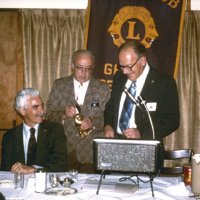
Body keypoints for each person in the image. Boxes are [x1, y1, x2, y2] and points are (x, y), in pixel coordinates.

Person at [46, 49, 110, 173]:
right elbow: (48, 115)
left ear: (93, 69)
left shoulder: (102, 88)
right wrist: (63, 114)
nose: (84, 72)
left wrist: (92, 121)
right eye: (79, 67)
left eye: (88, 68)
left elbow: (108, 119)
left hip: (90, 154)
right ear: (72, 66)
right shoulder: (59, 85)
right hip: (63, 151)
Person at [104, 40, 180, 142]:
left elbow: (172, 120)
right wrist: (108, 125)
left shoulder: (164, 83)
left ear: (142, 61)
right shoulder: (119, 77)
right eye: (121, 66)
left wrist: (141, 132)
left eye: (129, 66)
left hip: (146, 145)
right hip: (117, 141)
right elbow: (111, 105)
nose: (125, 71)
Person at [1, 88, 68, 173]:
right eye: (35, 107)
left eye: (42, 106)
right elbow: (5, 171)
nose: (42, 111)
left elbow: (60, 165)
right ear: (22, 111)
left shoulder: (55, 130)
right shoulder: (9, 137)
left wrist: (33, 170)